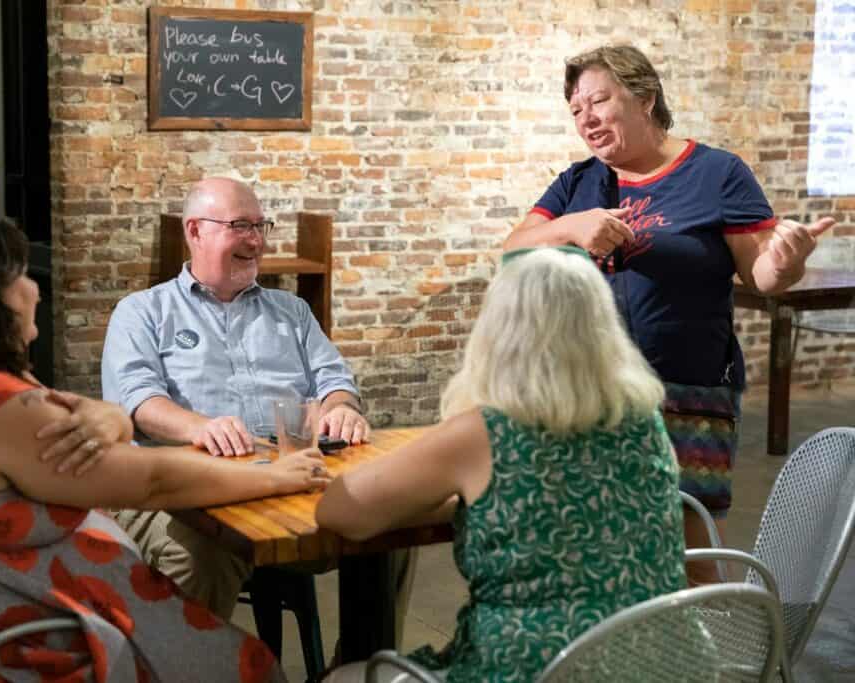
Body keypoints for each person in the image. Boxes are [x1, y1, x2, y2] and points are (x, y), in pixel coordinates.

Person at [0, 212, 333, 681]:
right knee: (252, 666)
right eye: (18, 276)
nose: (34, 287)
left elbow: (85, 414)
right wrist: (273, 476)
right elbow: (152, 481)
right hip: (21, 648)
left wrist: (110, 414)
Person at [500, 44, 835, 581]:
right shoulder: (579, 183)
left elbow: (761, 276)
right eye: (576, 109)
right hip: (590, 391)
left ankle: (694, 658)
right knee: (596, 542)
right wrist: (571, 226)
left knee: (685, 549)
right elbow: (512, 251)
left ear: (645, 98)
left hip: (689, 389)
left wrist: (787, 261)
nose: (585, 117)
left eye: (598, 101)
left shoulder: (717, 173)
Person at [317, 246, 686, 682]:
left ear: (498, 330)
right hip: (667, 664)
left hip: (534, 670)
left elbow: (340, 512)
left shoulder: (483, 434)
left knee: (345, 678)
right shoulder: (644, 419)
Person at [101, 176, 382, 623]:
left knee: (393, 518)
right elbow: (137, 401)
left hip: (287, 481)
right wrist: (200, 427)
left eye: (260, 226)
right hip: (178, 491)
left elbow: (334, 379)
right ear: (195, 231)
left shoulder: (291, 311)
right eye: (240, 226)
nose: (255, 240)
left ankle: (356, 665)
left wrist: (342, 407)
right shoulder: (143, 311)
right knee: (202, 554)